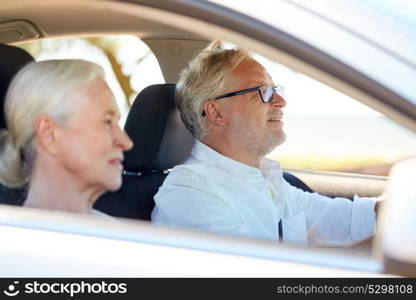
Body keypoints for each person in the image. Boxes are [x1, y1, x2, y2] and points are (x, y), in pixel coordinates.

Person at [151, 44, 377, 246]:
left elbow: (349, 220)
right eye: (263, 92)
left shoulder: (265, 180)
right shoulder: (191, 194)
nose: (281, 102)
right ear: (216, 112)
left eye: (275, 90)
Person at [0, 60, 133, 215]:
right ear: (49, 133)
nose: (126, 142)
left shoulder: (119, 232)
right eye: (107, 122)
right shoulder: (12, 237)